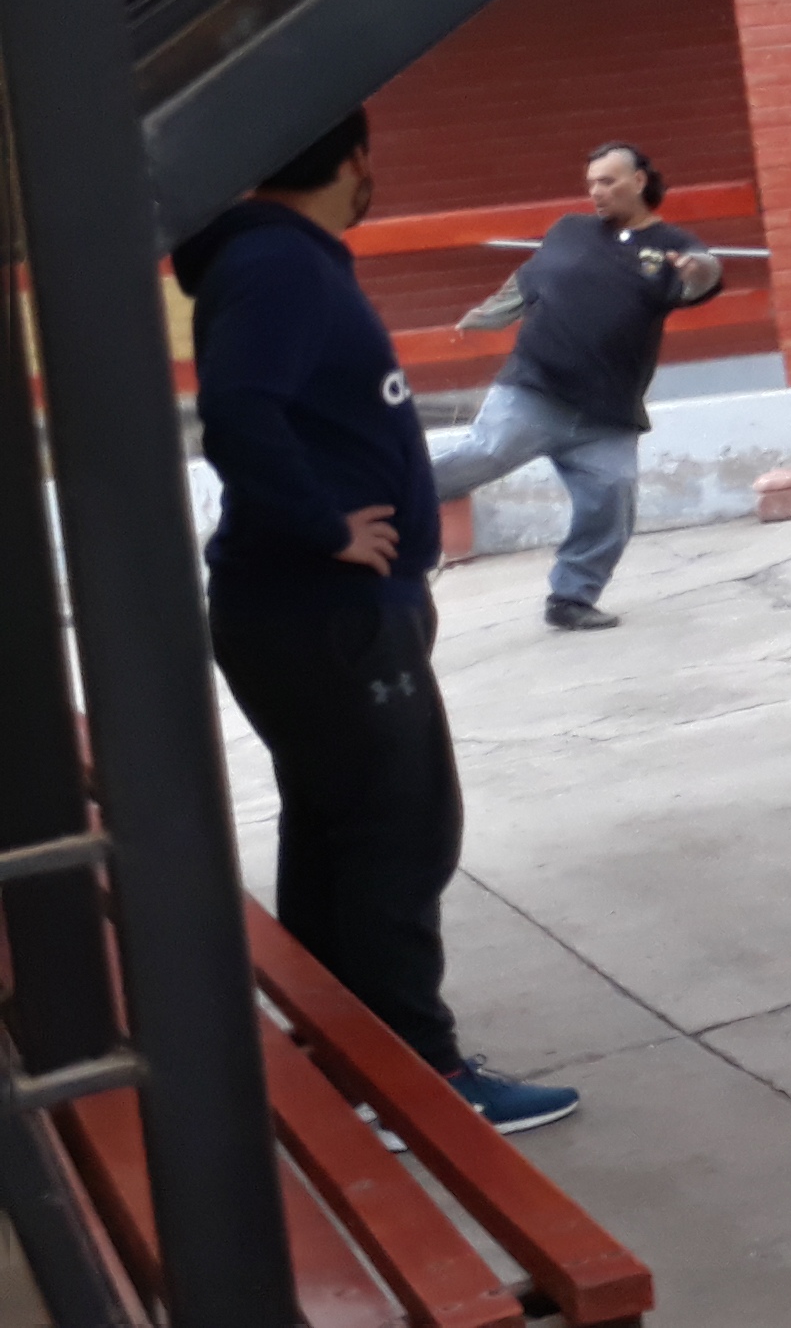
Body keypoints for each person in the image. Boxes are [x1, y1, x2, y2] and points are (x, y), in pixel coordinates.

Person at [173, 109, 581, 1133]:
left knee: (337, 835)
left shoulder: (279, 258)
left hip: (320, 613)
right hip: (324, 612)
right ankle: (416, 1082)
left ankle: (347, 1065)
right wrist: (323, 527)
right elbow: (238, 412)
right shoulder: (277, 263)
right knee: (403, 833)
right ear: (354, 160)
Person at [430, 142, 721, 631]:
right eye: (591, 183)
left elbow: (703, 273)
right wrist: (485, 316)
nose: (596, 192)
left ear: (639, 181)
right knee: (483, 453)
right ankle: (380, 499)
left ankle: (571, 598)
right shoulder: (570, 229)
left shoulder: (671, 245)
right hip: (535, 389)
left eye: (607, 181)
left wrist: (700, 272)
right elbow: (528, 280)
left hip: (607, 412)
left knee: (613, 498)